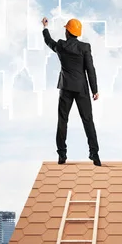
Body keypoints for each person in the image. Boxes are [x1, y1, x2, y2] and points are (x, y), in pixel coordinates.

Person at [41, 16, 101, 166]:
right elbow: (90, 70)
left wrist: (45, 28)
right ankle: (95, 155)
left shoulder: (61, 45)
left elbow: (49, 42)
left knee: (63, 121)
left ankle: (62, 155)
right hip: (81, 89)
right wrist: (95, 89)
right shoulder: (85, 47)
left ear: (67, 32)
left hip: (66, 88)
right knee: (88, 121)